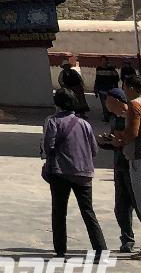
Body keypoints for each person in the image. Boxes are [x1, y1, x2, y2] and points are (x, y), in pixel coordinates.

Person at [41, 88, 107, 256]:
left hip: (60, 172)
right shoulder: (85, 124)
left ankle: (60, 250)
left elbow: (49, 146)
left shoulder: (53, 122)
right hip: (84, 172)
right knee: (88, 211)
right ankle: (101, 249)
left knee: (59, 211)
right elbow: (94, 150)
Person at [99, 87, 136, 254]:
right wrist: (105, 141)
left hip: (133, 166)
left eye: (108, 101)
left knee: (139, 205)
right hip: (119, 166)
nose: (106, 104)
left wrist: (118, 142)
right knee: (121, 207)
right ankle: (127, 240)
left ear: (118, 101)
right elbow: (115, 142)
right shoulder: (114, 119)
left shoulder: (133, 116)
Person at [118, 74, 141, 258]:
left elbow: (133, 133)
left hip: (139, 157)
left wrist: (118, 140)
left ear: (133, 88)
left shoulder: (136, 105)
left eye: (125, 87)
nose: (124, 91)